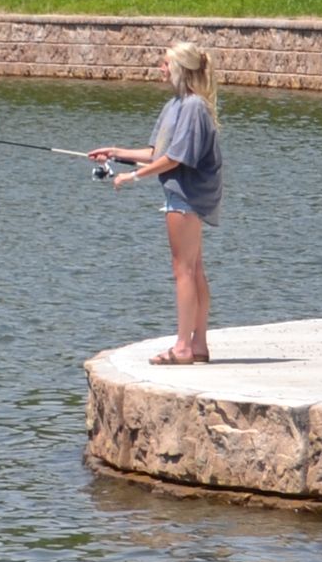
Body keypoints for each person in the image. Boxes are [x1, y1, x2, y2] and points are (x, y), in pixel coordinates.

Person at [93, 42, 224, 363]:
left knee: (184, 271)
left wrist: (132, 178)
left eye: (165, 64)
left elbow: (174, 159)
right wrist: (115, 152)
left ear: (180, 68)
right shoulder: (175, 106)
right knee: (193, 270)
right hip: (182, 195)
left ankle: (183, 347)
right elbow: (156, 152)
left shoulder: (193, 106)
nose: (160, 69)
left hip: (187, 197)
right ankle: (198, 346)